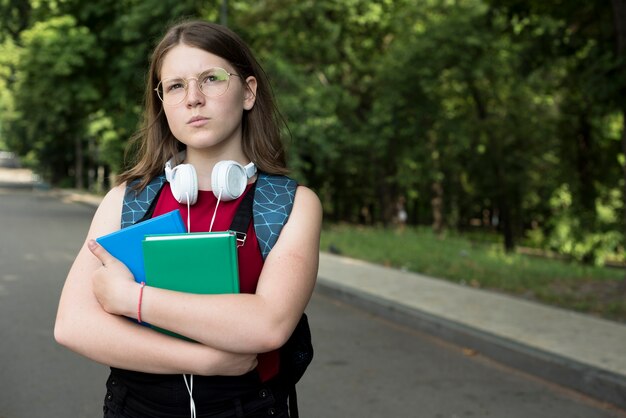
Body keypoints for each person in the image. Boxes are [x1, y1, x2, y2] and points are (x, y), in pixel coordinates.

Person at [54, 19, 322, 418]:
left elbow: (267, 326)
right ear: (163, 103)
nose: (193, 98)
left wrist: (132, 299)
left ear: (248, 92)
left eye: (211, 79)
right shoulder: (126, 200)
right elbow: (73, 325)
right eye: (176, 86)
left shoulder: (289, 203)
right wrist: (207, 361)